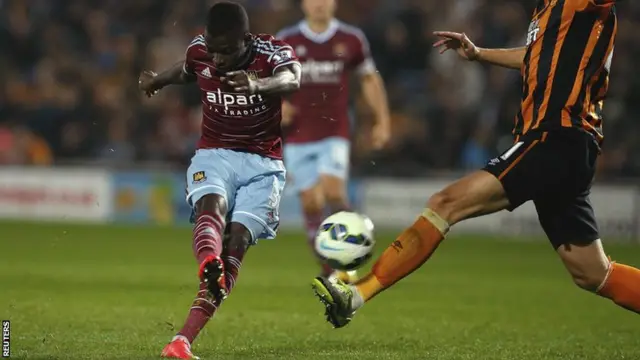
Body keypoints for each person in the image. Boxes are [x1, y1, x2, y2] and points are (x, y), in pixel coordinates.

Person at [311, 0, 640, 329]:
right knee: (592, 272)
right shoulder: (547, 11)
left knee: (445, 204)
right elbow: (535, 57)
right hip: (567, 144)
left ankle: (355, 294)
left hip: (556, 137)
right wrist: (479, 53)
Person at [139, 2, 301, 358]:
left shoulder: (272, 52)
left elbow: (293, 79)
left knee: (238, 240)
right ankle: (207, 260)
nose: (219, 59)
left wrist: (258, 84)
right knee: (212, 206)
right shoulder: (201, 50)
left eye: (227, 51)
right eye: (214, 50)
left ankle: (180, 341)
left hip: (264, 164)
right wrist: (158, 80)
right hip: (215, 153)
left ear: (245, 39)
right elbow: (187, 71)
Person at [276, 0, 391, 283]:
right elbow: (267, 80)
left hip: (335, 130)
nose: (319, 5)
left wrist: (382, 120)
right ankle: (332, 267)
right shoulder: (286, 39)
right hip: (299, 134)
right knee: (312, 203)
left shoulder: (351, 39)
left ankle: (353, 251)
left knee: (333, 192)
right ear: (303, 4)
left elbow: (369, 79)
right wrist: (277, 104)